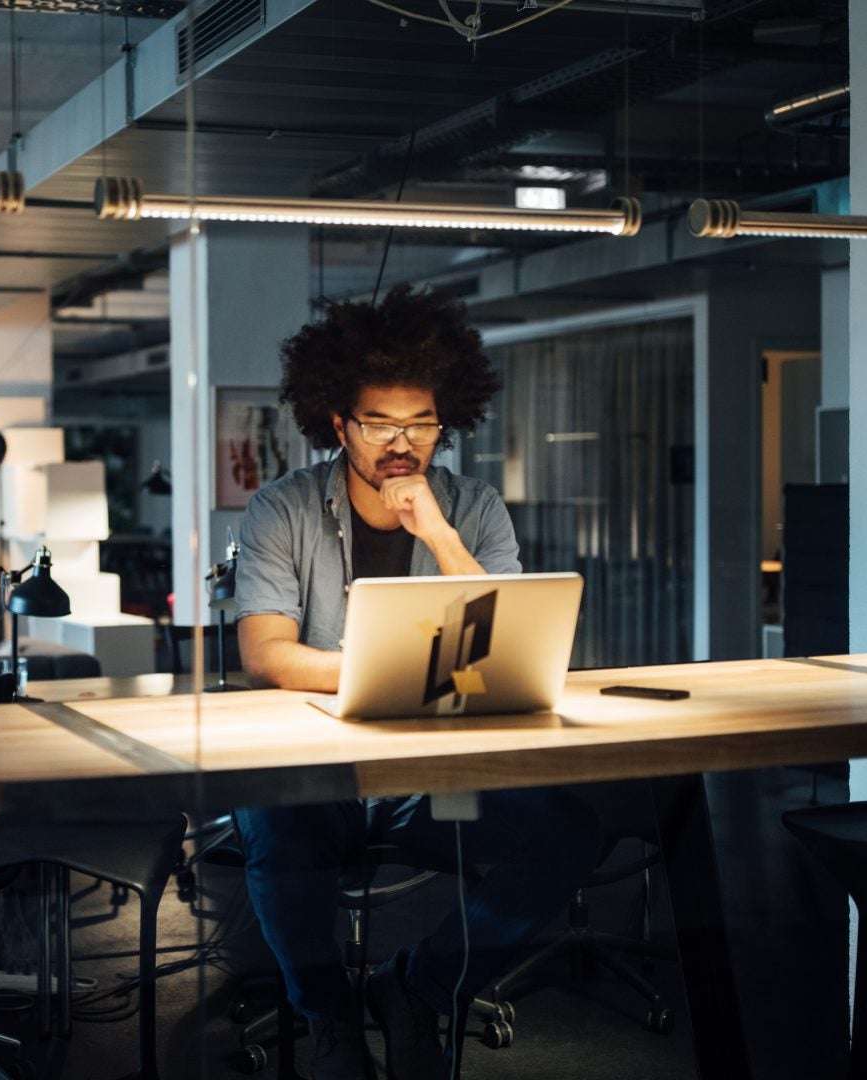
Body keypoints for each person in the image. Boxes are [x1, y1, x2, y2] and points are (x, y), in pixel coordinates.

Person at [232, 285, 601, 1080]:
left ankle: (424, 989)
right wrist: (393, 674)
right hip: (319, 766)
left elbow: (502, 638)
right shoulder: (280, 510)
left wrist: (433, 529)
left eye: (421, 422)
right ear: (339, 423)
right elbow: (267, 654)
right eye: (380, 423)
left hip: (434, 775)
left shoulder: (472, 507)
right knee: (277, 823)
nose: (403, 442)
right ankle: (327, 1014)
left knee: (568, 828)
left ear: (445, 420)